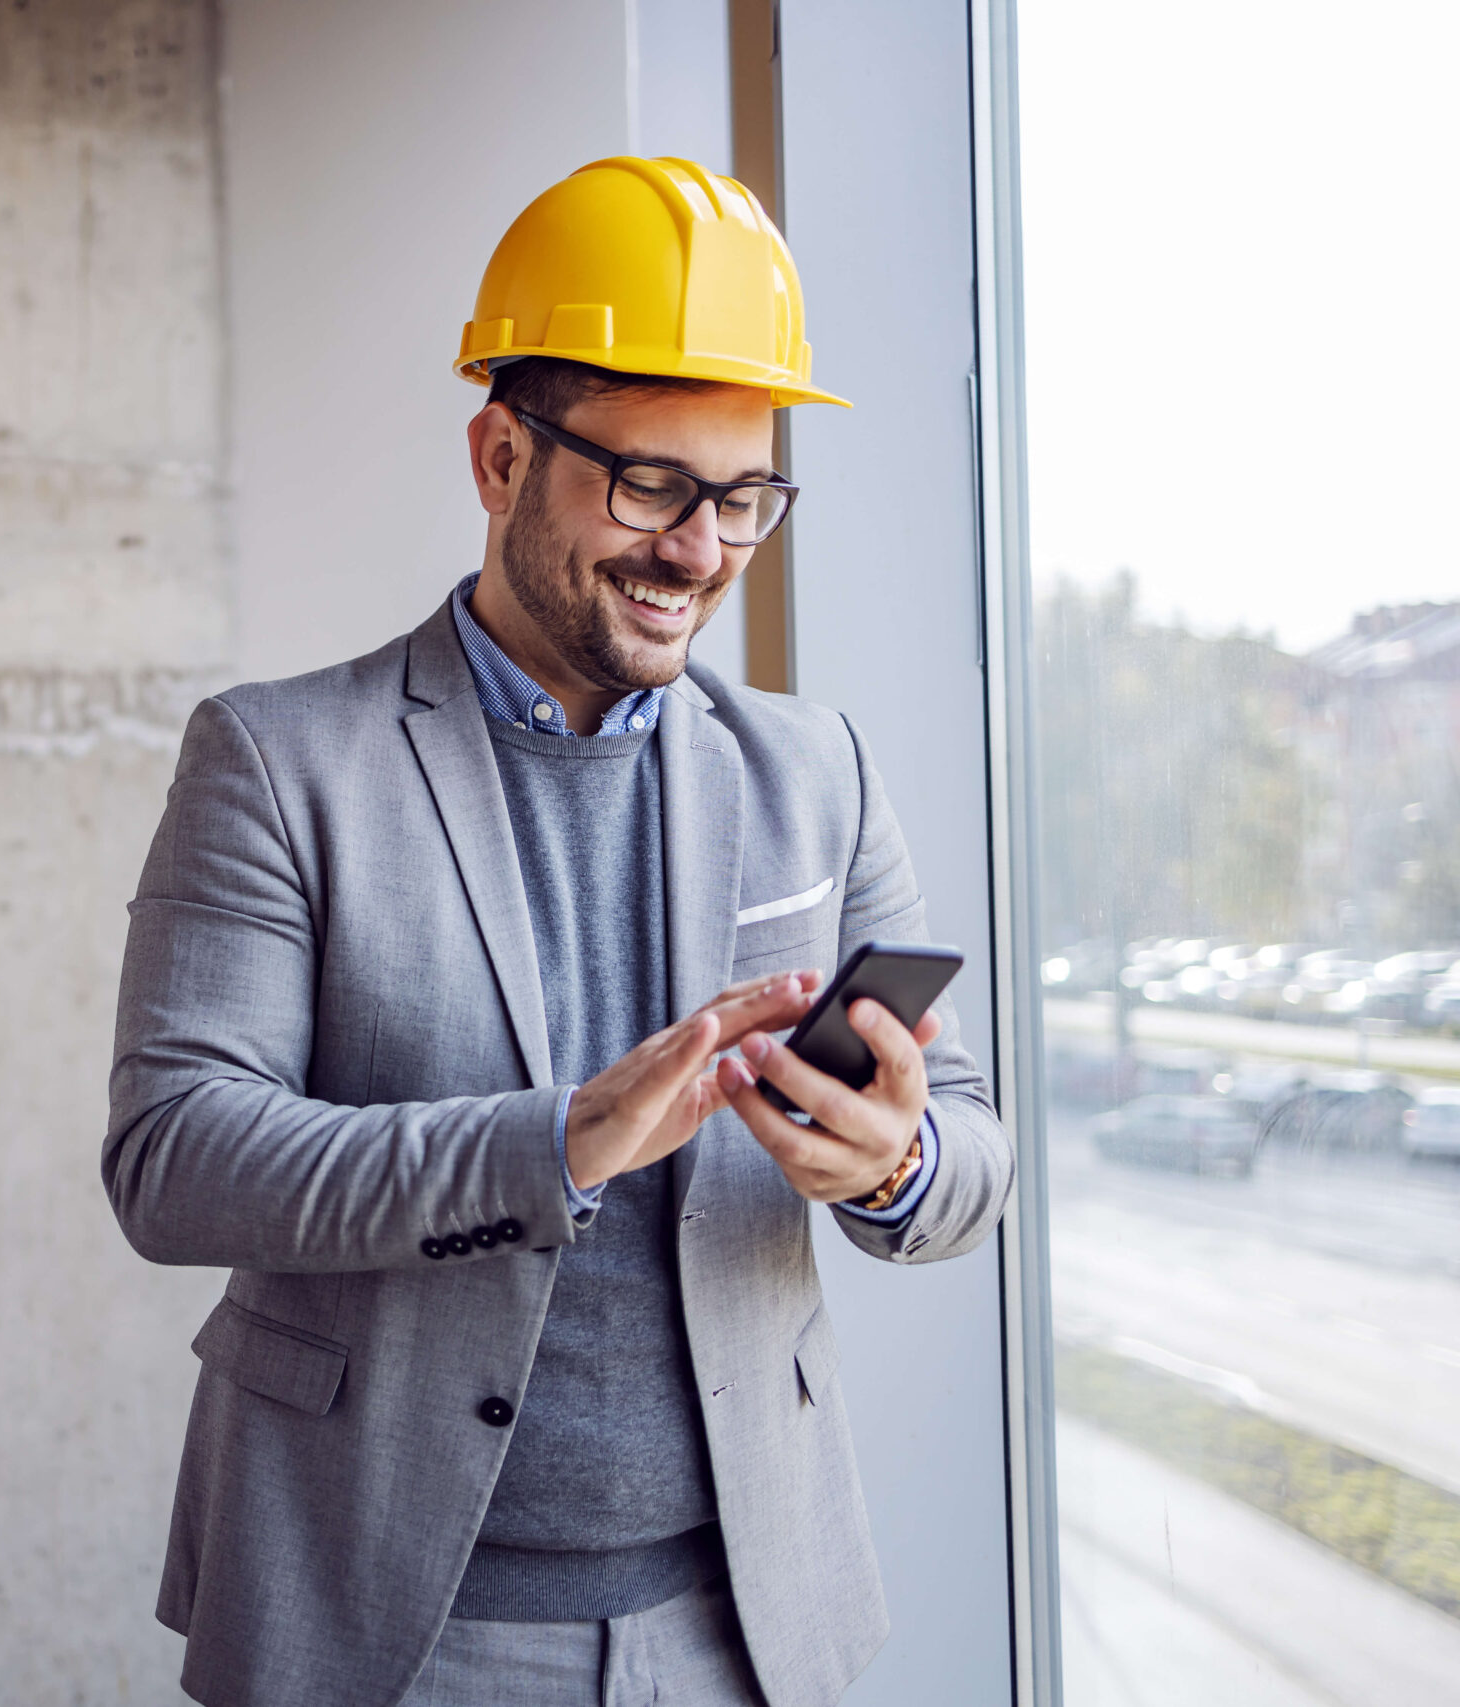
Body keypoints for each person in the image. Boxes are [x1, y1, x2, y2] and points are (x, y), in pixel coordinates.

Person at [100, 156, 1014, 1707]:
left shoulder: (819, 769)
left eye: (744, 498)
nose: (702, 550)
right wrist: (558, 1144)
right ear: (500, 455)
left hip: (746, 1617)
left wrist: (895, 1161)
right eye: (650, 485)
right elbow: (174, 1160)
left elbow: (972, 1149)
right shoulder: (278, 759)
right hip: (390, 1622)